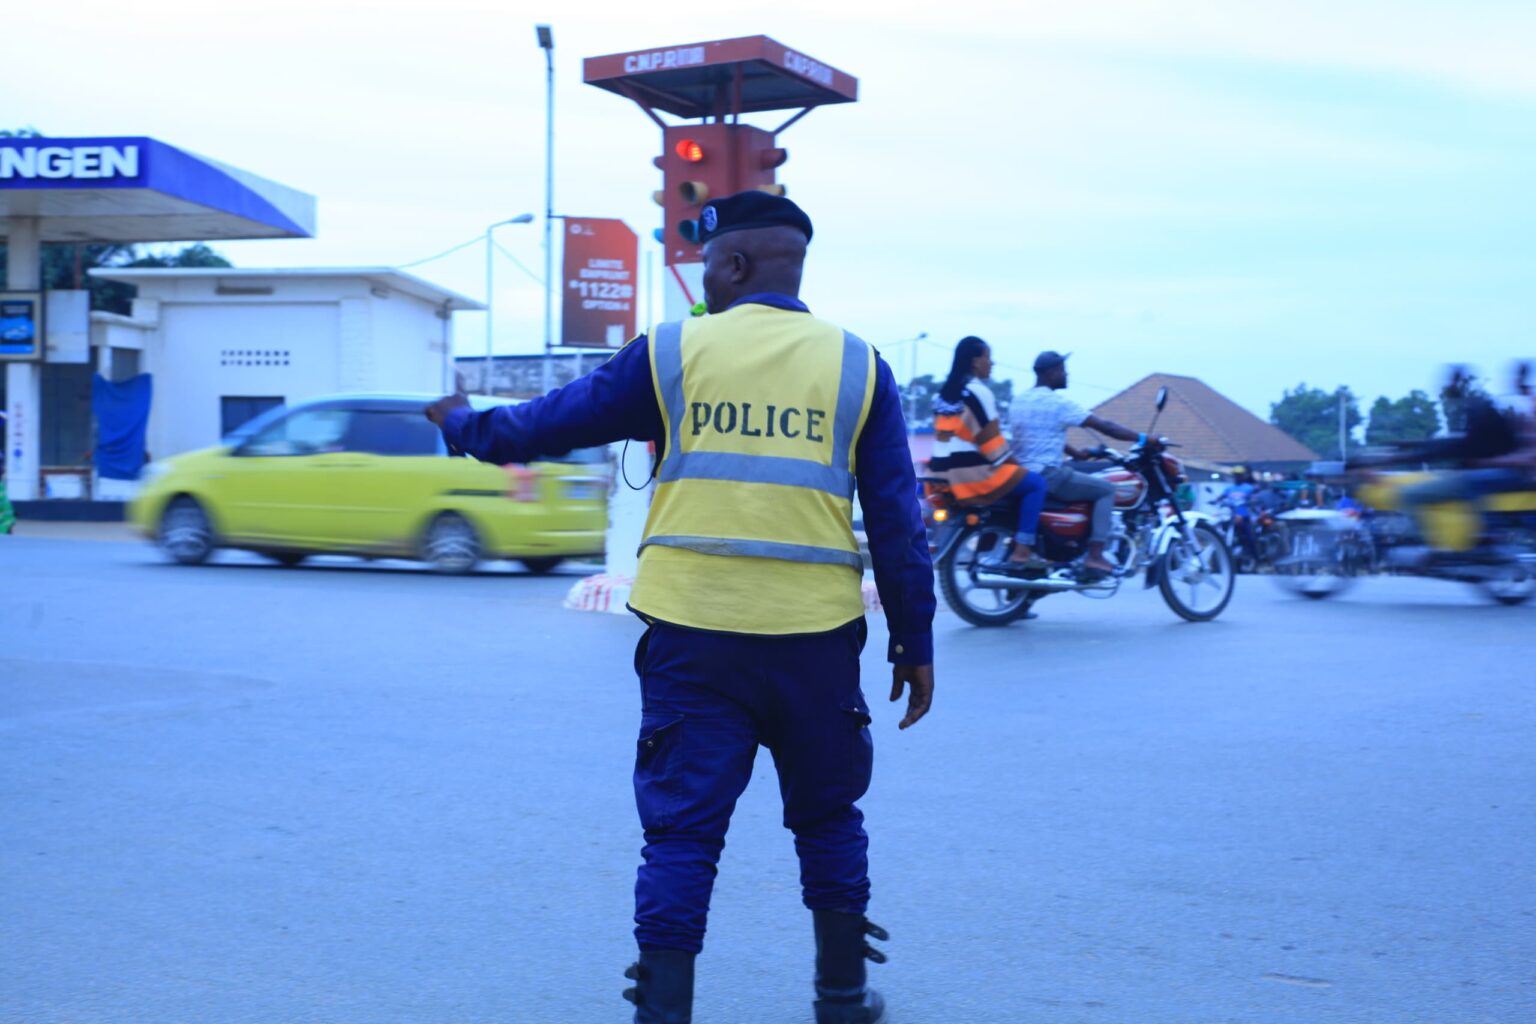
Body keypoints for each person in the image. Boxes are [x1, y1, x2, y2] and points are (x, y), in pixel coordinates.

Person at [424, 191, 935, 1024]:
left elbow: (547, 424)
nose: (702, 282)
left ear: (732, 265)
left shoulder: (672, 352)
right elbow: (898, 518)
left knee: (683, 835)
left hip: (694, 641)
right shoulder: (859, 364)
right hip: (816, 642)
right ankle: (842, 995)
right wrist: (915, 641)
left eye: (706, 266)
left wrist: (463, 424)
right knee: (829, 818)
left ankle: (663, 1010)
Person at [1009, 351, 1157, 575]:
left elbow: (1036, 436)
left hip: (1022, 474)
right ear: (1050, 373)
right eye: (1062, 369)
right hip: (1048, 475)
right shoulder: (1058, 403)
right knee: (1107, 489)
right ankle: (1095, 556)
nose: (1066, 374)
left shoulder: (1019, 401)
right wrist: (1144, 438)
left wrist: (1076, 453)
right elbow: (1107, 427)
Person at [928, 335, 1047, 570]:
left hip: (939, 474)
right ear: (975, 361)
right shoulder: (978, 392)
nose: (992, 363)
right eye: (988, 358)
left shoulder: (942, 395)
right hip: (971, 475)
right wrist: (1018, 467)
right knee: (1036, 484)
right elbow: (992, 444)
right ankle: (1023, 551)